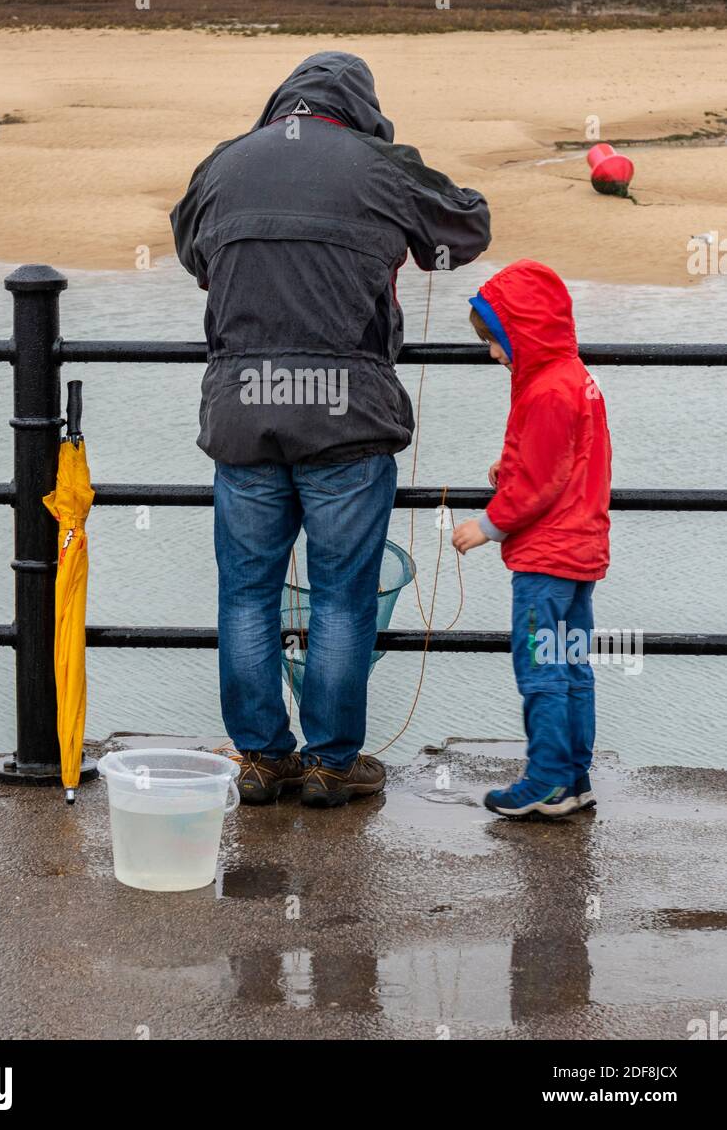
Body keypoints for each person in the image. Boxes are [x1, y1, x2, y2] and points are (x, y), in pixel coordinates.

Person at [170, 51, 490, 807]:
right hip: (347, 417)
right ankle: (332, 763)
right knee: (342, 597)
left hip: (243, 411)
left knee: (246, 594)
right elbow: (466, 229)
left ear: (283, 103)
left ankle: (258, 757)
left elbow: (193, 251)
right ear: (361, 109)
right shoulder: (380, 164)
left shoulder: (224, 164)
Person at [452, 260, 612, 818]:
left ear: (523, 332)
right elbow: (567, 457)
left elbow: (541, 484)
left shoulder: (544, 390)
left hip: (546, 559)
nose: (494, 355)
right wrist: (511, 464)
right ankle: (575, 776)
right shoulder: (575, 378)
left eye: (496, 343)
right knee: (572, 666)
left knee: (541, 670)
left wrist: (488, 525)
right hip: (580, 552)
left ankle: (545, 780)